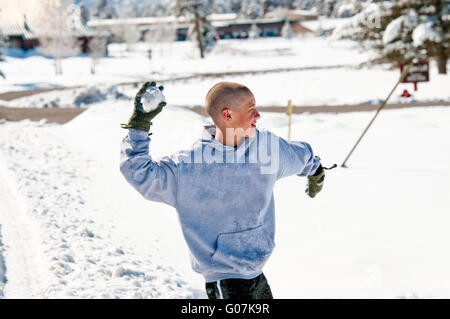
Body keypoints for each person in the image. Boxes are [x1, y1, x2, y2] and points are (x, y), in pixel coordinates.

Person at [120, 81, 326, 299]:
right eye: (251, 110)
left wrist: (315, 169)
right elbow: (139, 172)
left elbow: (298, 155)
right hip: (224, 280)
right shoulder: (188, 167)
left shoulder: (266, 148)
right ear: (227, 115)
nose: (258, 116)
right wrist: (139, 126)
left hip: (256, 274)